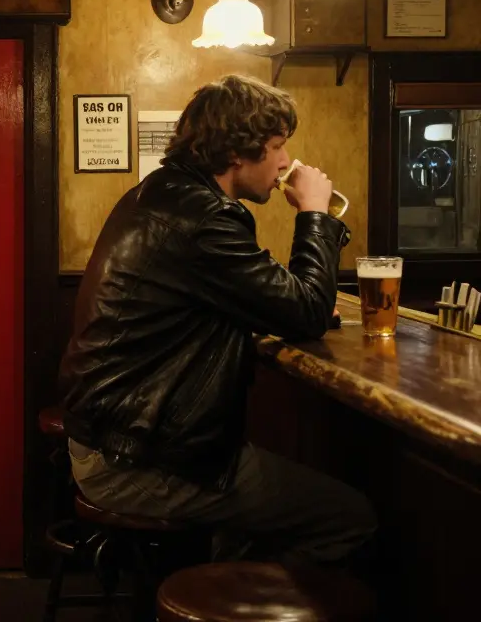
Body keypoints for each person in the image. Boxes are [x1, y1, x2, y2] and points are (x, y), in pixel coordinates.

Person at [58, 74, 376, 568]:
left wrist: (280, 302)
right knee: (349, 515)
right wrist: (316, 215)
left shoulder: (166, 193)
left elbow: (265, 299)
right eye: (276, 146)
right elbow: (308, 312)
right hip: (133, 459)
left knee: (259, 516)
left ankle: (226, 588)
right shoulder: (205, 219)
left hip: (115, 440)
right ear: (235, 154)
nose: (285, 162)